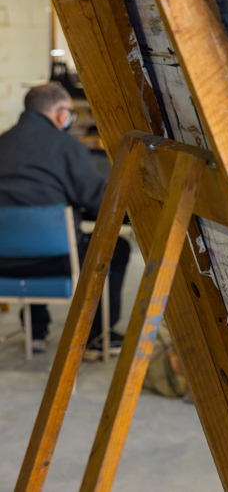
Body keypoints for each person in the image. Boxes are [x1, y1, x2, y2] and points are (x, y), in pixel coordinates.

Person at [0, 83, 130, 358]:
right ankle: (95, 336)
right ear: (61, 115)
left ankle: (35, 331)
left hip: (4, 261)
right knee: (117, 248)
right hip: (54, 257)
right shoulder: (65, 146)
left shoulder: (2, 142)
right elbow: (98, 200)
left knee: (28, 236)